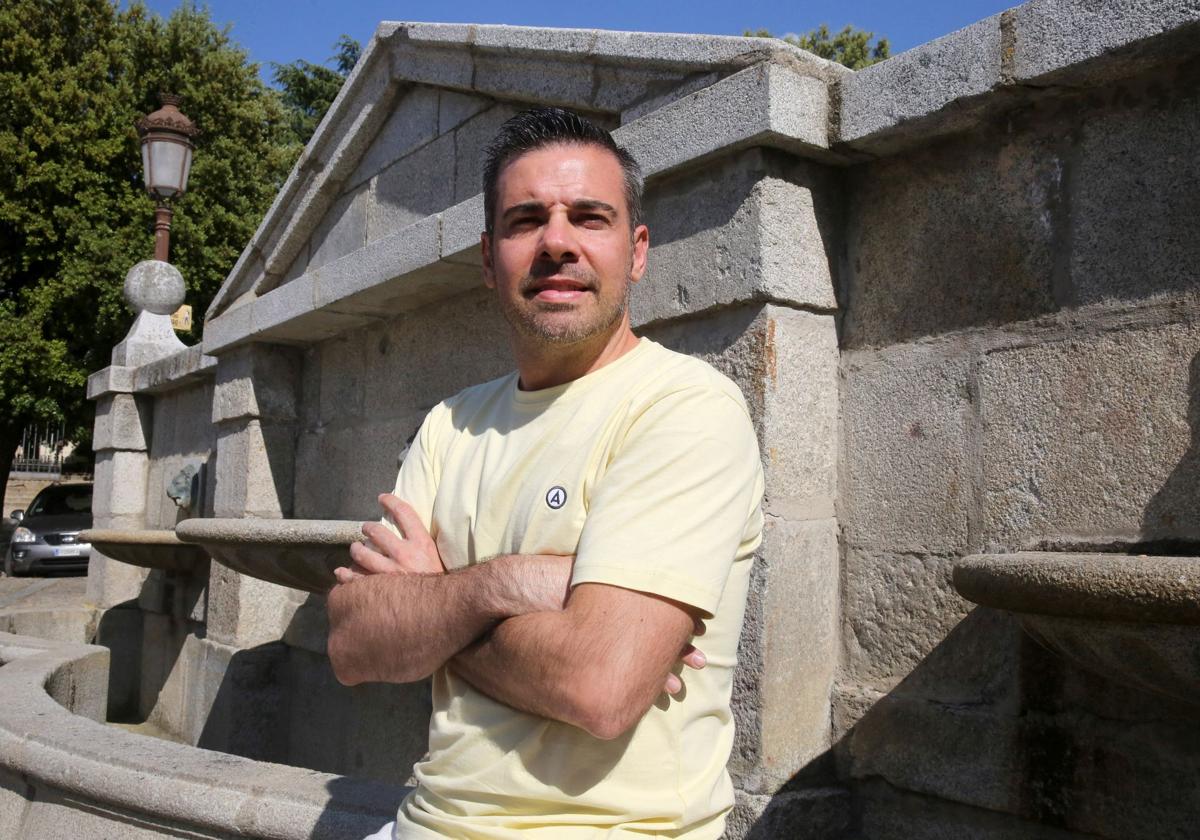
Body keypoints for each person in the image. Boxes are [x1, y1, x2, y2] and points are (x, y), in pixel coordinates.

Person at [327, 106, 764, 840]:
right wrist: (512, 585)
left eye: (589, 217)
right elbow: (351, 647)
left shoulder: (684, 408)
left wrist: (432, 604)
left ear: (638, 250)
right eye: (526, 219)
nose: (556, 242)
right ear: (487, 256)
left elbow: (599, 687)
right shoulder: (449, 425)